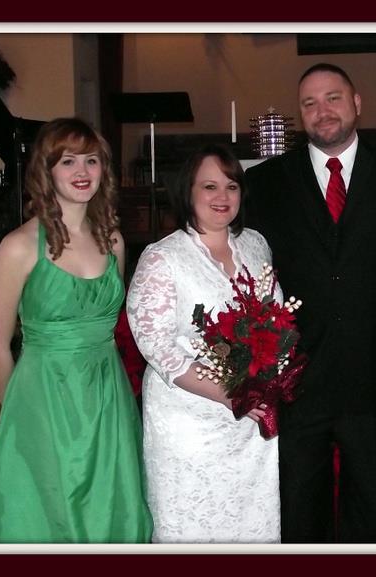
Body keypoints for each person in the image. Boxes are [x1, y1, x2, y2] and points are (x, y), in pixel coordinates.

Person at [243, 62, 376, 543]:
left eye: (332, 98)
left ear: (357, 103)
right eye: (309, 103)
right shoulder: (267, 180)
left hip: (374, 369)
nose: (321, 111)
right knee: (300, 510)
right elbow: (249, 270)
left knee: (368, 506)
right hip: (299, 374)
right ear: (298, 114)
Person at [0, 117, 152, 543]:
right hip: (43, 403)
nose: (81, 171)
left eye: (91, 161)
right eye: (68, 161)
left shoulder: (113, 240)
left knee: (109, 514)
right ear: (47, 170)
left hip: (108, 399)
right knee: (49, 520)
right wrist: (25, 416)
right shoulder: (19, 246)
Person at [126, 144, 279, 543]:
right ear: (188, 192)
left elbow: (275, 316)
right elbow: (157, 346)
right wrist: (230, 393)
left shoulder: (255, 244)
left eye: (231, 186)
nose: (222, 197)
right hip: (188, 424)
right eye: (209, 186)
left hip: (249, 425)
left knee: (251, 523)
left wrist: (267, 380)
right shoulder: (162, 258)